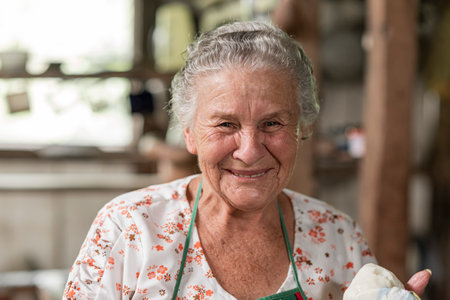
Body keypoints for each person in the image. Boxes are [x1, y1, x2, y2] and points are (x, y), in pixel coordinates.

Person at [63, 21, 430, 299]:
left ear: (301, 128)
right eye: (226, 124)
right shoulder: (129, 229)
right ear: (189, 133)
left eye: (273, 123)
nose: (250, 150)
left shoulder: (337, 236)